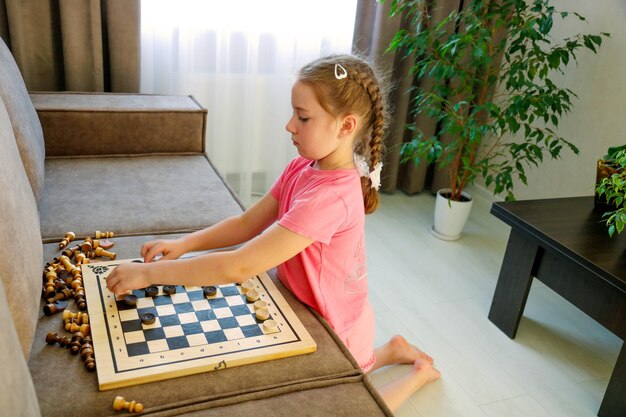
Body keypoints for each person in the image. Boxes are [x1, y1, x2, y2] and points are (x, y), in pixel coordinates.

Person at [106, 54, 440, 411]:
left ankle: (418, 374)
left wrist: (146, 274)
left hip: (335, 329)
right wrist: (185, 243)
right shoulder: (302, 166)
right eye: (293, 113)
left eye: (303, 117)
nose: (289, 125)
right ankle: (392, 349)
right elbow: (246, 224)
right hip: (306, 306)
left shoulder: (330, 198)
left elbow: (237, 267)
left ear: (346, 126)